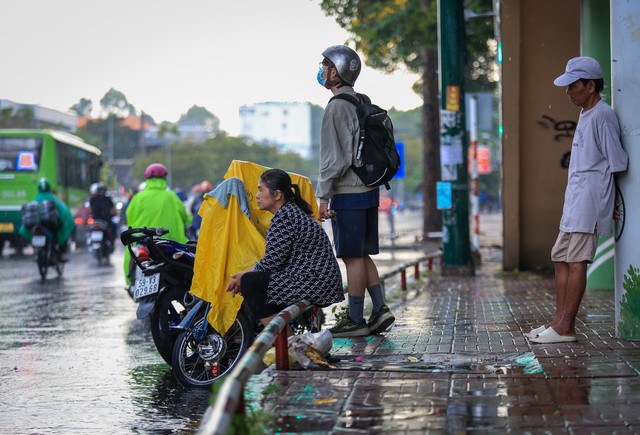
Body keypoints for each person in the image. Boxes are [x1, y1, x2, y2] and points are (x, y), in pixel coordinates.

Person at [529, 56, 628, 344]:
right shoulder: (587, 113)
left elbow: (618, 162)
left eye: (574, 86)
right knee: (560, 257)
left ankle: (566, 327)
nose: (569, 92)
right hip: (575, 198)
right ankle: (557, 322)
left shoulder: (603, 115)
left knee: (576, 261)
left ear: (591, 85)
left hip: (590, 200)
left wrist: (613, 203)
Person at [315, 45, 395, 337]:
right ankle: (380, 309)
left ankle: (355, 320)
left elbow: (333, 159)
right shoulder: (360, 101)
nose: (321, 71)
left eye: (324, 66)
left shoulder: (336, 107)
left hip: (348, 193)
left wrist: (322, 196)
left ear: (335, 73)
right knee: (361, 255)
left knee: (351, 257)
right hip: (369, 190)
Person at [226, 169, 344, 332]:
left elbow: (272, 263)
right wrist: (243, 274)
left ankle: (288, 344)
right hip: (318, 281)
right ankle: (289, 341)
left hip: (316, 283)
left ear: (277, 195)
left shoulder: (284, 218)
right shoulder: (290, 212)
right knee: (250, 280)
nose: (257, 195)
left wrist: (243, 277)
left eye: (261, 189)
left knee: (250, 284)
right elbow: (274, 262)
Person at [124, 163, 191, 279]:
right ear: (164, 178)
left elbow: (129, 217)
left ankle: (131, 283)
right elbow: (185, 217)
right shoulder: (171, 196)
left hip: (142, 241)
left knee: (130, 256)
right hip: (169, 243)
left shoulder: (138, 197)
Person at [19, 178, 75, 261]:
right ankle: (60, 254)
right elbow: (65, 213)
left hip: (37, 225)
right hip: (50, 226)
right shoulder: (54, 199)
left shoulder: (36, 199)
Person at [89, 183, 117, 249]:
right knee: (114, 228)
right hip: (106, 223)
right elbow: (113, 211)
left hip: (95, 222)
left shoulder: (92, 199)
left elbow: (89, 211)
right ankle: (112, 245)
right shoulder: (108, 199)